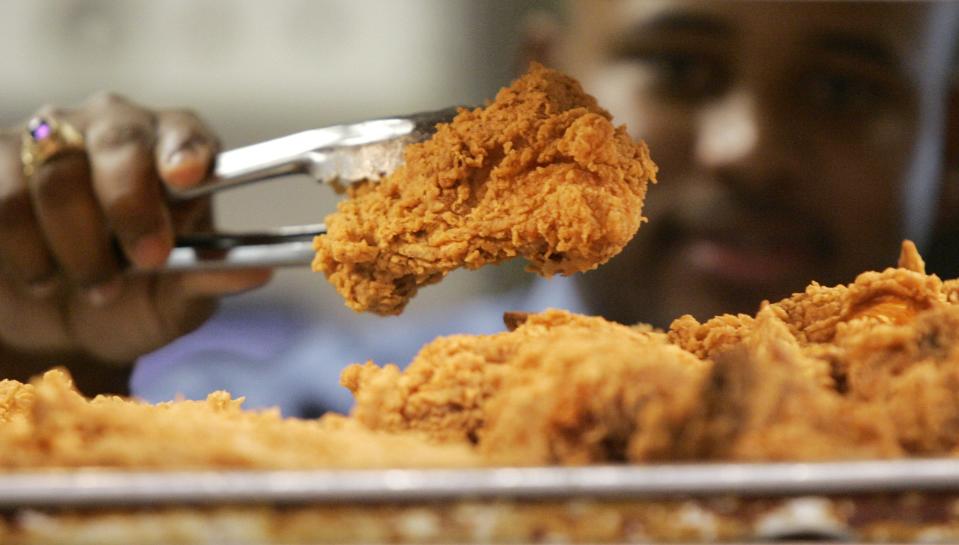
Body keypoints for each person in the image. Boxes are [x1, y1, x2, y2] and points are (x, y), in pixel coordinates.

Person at [0, 1, 956, 414]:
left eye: (842, 91)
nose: (749, 147)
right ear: (534, 88)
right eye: (680, 66)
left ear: (944, 143)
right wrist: (51, 355)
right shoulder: (340, 408)